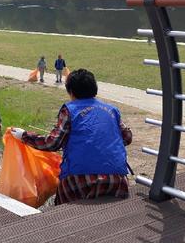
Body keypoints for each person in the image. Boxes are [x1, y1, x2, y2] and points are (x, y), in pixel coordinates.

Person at [11, 69, 132, 205]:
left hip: (79, 180)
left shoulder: (69, 110)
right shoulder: (112, 110)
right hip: (118, 179)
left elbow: (52, 143)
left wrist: (24, 136)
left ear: (71, 92)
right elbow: (127, 137)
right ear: (95, 89)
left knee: (61, 209)